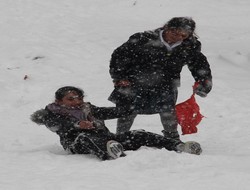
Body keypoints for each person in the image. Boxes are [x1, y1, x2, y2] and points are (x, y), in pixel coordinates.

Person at [108, 17, 212, 141]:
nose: (178, 37)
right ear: (166, 28)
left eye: (183, 35)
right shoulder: (143, 39)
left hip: (166, 84)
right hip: (135, 81)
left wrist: (204, 81)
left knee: (168, 112)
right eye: (175, 32)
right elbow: (119, 56)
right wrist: (119, 77)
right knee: (127, 111)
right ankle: (121, 137)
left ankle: (172, 139)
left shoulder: (189, 46)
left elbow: (199, 64)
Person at [31, 86, 202, 160]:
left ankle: (178, 146)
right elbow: (60, 127)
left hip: (107, 139)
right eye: (71, 99)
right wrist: (78, 126)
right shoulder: (50, 113)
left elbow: (109, 112)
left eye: (79, 97)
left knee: (139, 134)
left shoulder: (88, 108)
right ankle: (111, 155)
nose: (76, 101)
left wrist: (129, 108)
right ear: (59, 100)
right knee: (85, 137)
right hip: (77, 144)